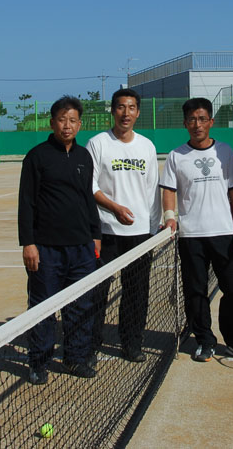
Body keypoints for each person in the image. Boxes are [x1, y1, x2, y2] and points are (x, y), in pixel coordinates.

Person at [160, 98, 233, 363]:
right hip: (191, 236)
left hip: (224, 234)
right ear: (185, 123)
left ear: (211, 122)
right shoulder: (176, 156)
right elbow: (169, 190)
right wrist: (170, 217)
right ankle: (204, 340)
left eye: (202, 119)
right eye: (192, 120)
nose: (197, 124)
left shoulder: (224, 152)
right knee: (195, 292)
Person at [18, 96, 101, 385]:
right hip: (46, 250)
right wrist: (28, 243)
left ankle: (76, 358)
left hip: (82, 249)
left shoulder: (84, 157)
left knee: (81, 306)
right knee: (42, 308)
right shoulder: (36, 157)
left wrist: (95, 235)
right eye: (62, 120)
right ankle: (39, 362)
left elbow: (87, 199)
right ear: (52, 123)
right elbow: (26, 202)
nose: (67, 125)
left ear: (80, 124)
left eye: (73, 120)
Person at [86, 88, 160, 363]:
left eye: (131, 108)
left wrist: (152, 230)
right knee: (97, 293)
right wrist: (114, 208)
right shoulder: (98, 143)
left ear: (138, 112)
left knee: (136, 294)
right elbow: (89, 186)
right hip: (106, 232)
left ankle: (132, 344)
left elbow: (152, 190)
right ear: (112, 111)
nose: (125, 113)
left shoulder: (147, 146)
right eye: (120, 107)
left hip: (139, 235)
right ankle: (91, 345)